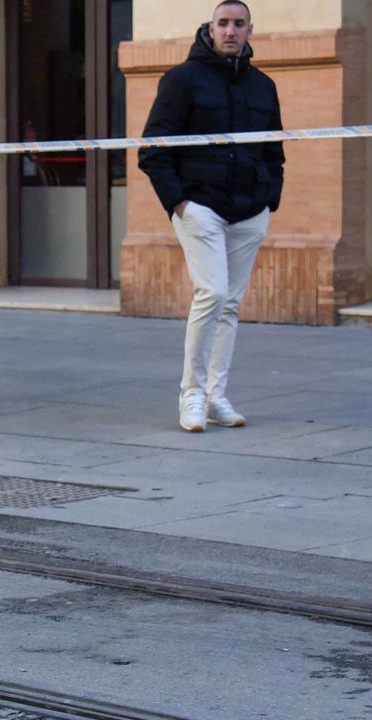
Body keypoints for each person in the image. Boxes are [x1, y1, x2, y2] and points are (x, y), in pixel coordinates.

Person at [139, 0, 283, 433]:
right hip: (200, 207)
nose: (230, 31)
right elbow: (153, 150)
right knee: (213, 293)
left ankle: (216, 396)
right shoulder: (181, 79)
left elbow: (273, 149)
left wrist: (270, 198)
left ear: (250, 30)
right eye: (223, 23)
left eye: (239, 24)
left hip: (250, 210)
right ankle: (191, 394)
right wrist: (179, 202)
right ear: (210, 28)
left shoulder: (263, 86)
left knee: (231, 304)